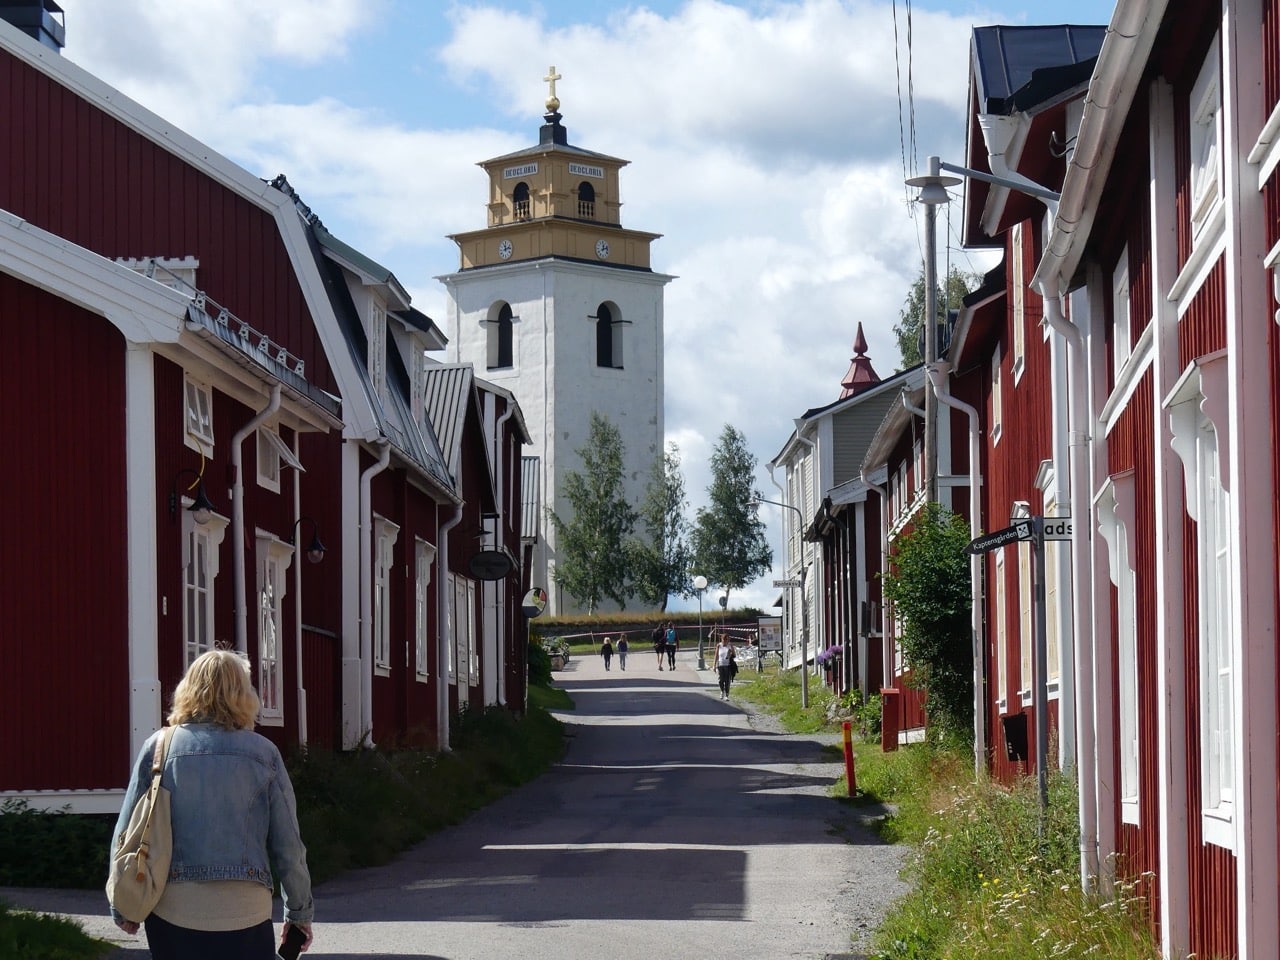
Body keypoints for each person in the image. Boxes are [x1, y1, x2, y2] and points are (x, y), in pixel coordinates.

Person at [109, 649, 314, 960]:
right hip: (247, 910)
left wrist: (122, 906)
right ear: (243, 695)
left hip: (174, 908)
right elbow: (289, 847)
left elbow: (126, 833)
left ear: (188, 691)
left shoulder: (160, 748)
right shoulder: (265, 754)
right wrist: (298, 913)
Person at [715, 632, 737, 700]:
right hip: (720, 664)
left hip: (728, 665)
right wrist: (714, 665)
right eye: (724, 639)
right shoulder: (719, 645)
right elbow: (716, 656)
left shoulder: (730, 645)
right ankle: (722, 691)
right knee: (721, 680)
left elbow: (734, 655)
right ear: (722, 639)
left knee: (727, 681)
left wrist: (730, 654)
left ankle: (726, 695)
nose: (726, 641)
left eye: (727, 639)